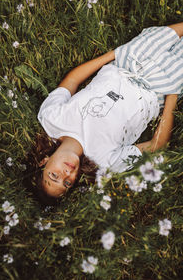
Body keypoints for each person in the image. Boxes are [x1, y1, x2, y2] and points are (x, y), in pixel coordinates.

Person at [37, 22, 183, 198]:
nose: (66, 174)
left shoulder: (50, 118)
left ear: (43, 162)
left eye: (54, 175)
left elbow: (72, 80)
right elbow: (156, 145)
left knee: (158, 38)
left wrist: (114, 54)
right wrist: (172, 93)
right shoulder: (105, 162)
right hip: (156, 89)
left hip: (126, 61)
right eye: (67, 183)